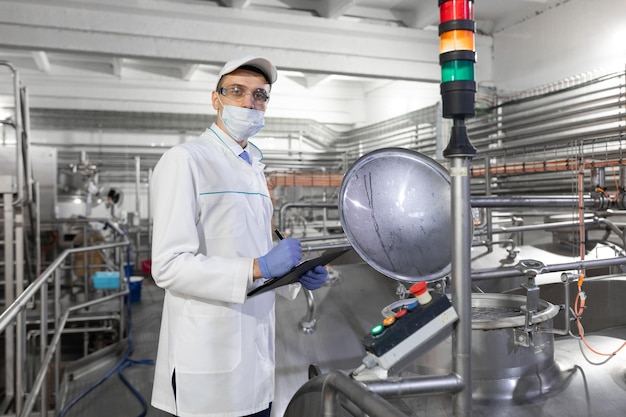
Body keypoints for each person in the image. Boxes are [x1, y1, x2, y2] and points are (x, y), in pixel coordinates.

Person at [149, 55, 328, 417]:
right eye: (237, 91)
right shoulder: (186, 160)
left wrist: (293, 274)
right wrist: (259, 266)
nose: (249, 103)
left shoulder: (253, 168)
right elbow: (167, 267)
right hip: (208, 355)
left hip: (257, 356)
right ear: (215, 99)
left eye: (260, 95)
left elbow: (252, 249)